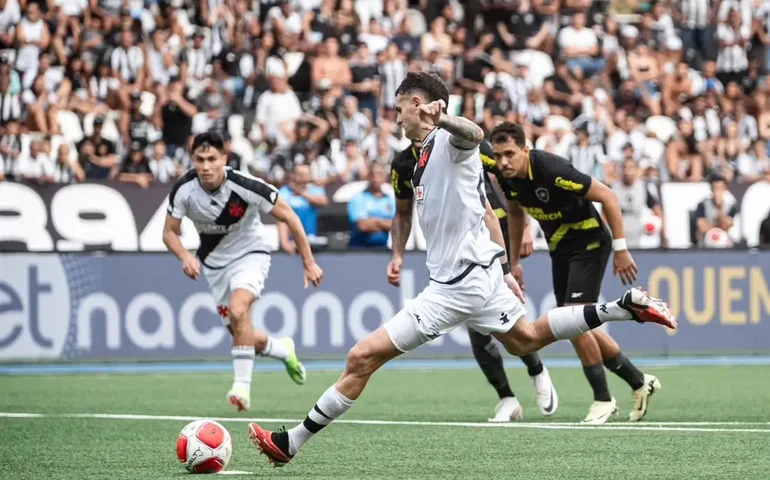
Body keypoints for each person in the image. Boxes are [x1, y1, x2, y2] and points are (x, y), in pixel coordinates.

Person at [247, 72, 676, 467]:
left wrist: (445, 118)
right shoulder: (417, 158)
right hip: (481, 274)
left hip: (456, 286)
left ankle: (291, 444)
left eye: (399, 109)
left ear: (419, 105)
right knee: (526, 340)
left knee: (362, 356)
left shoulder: (448, 142)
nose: (396, 119)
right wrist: (505, 267)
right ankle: (624, 307)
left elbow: (474, 134)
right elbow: (485, 211)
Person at [486, 121, 663, 424]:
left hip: (590, 241)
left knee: (572, 319)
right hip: (561, 247)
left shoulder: (551, 169)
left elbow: (607, 195)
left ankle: (603, 399)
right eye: (499, 155)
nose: (503, 162)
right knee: (574, 323)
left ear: (525, 150)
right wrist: (513, 263)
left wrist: (621, 249)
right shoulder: (508, 177)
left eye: (510, 154)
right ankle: (638, 381)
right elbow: (515, 214)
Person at [389, 139, 558, 422]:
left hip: (493, 231)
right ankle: (507, 397)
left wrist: (524, 225)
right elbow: (403, 213)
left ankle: (536, 370)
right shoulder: (404, 164)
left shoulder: (460, 143)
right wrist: (397, 255)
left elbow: (508, 175)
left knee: (506, 321)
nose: (401, 119)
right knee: (477, 326)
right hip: (458, 245)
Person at [162, 132, 323, 412]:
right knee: (239, 331)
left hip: (251, 255)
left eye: (212, 159)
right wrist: (184, 256)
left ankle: (242, 388)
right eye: (199, 160)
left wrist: (308, 262)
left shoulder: (247, 186)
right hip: (214, 265)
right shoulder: (184, 189)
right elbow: (169, 233)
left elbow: (290, 218)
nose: (206, 166)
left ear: (224, 159)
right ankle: (281, 348)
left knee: (239, 310)